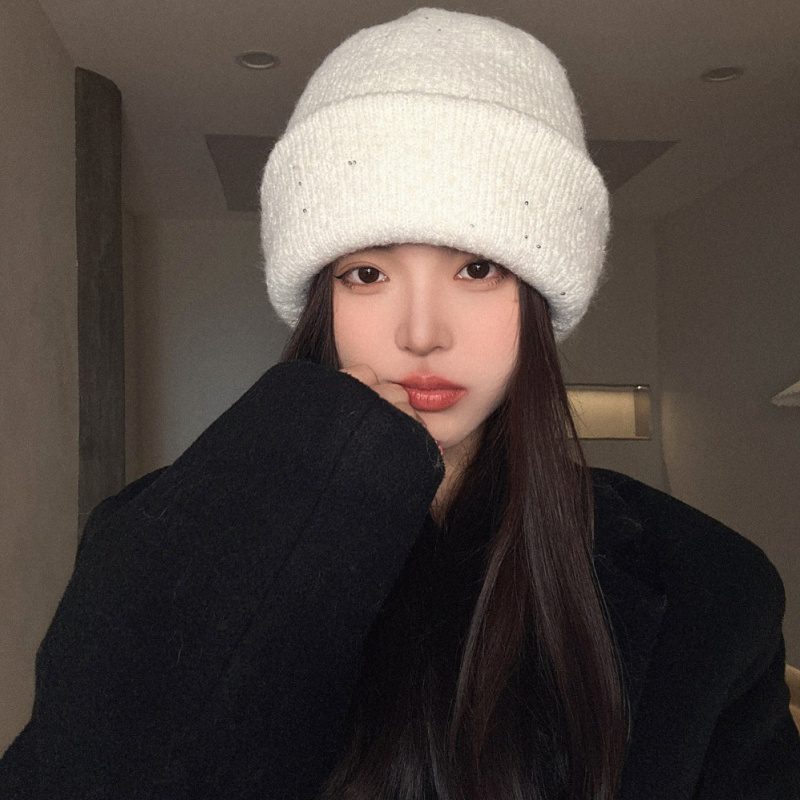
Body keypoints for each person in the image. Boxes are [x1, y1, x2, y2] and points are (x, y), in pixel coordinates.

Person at [1, 7, 799, 800]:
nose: (421, 333)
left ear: (539, 299)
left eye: (478, 268)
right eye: (368, 274)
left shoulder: (711, 589)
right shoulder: (158, 537)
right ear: (322, 304)